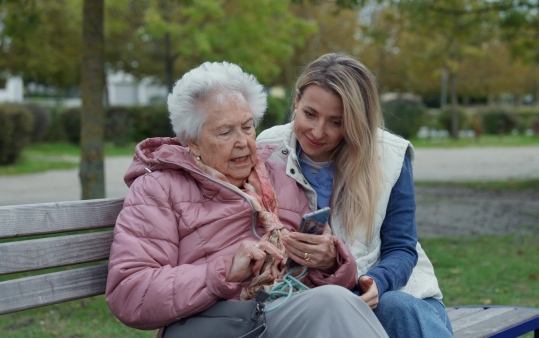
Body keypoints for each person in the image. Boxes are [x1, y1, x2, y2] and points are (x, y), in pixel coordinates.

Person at [105, 61, 388, 337]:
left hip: (280, 311)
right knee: (333, 305)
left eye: (248, 127)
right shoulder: (158, 189)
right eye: (225, 132)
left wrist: (329, 263)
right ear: (192, 142)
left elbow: (315, 279)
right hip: (213, 322)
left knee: (344, 303)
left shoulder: (279, 178)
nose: (243, 141)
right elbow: (129, 292)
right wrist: (224, 272)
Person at [256, 52, 454, 337]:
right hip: (309, 301)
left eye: (336, 122)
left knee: (393, 307)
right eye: (310, 114)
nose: (317, 131)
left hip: (397, 298)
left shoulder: (390, 156)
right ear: (297, 100)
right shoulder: (268, 147)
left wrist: (374, 281)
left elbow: (402, 248)